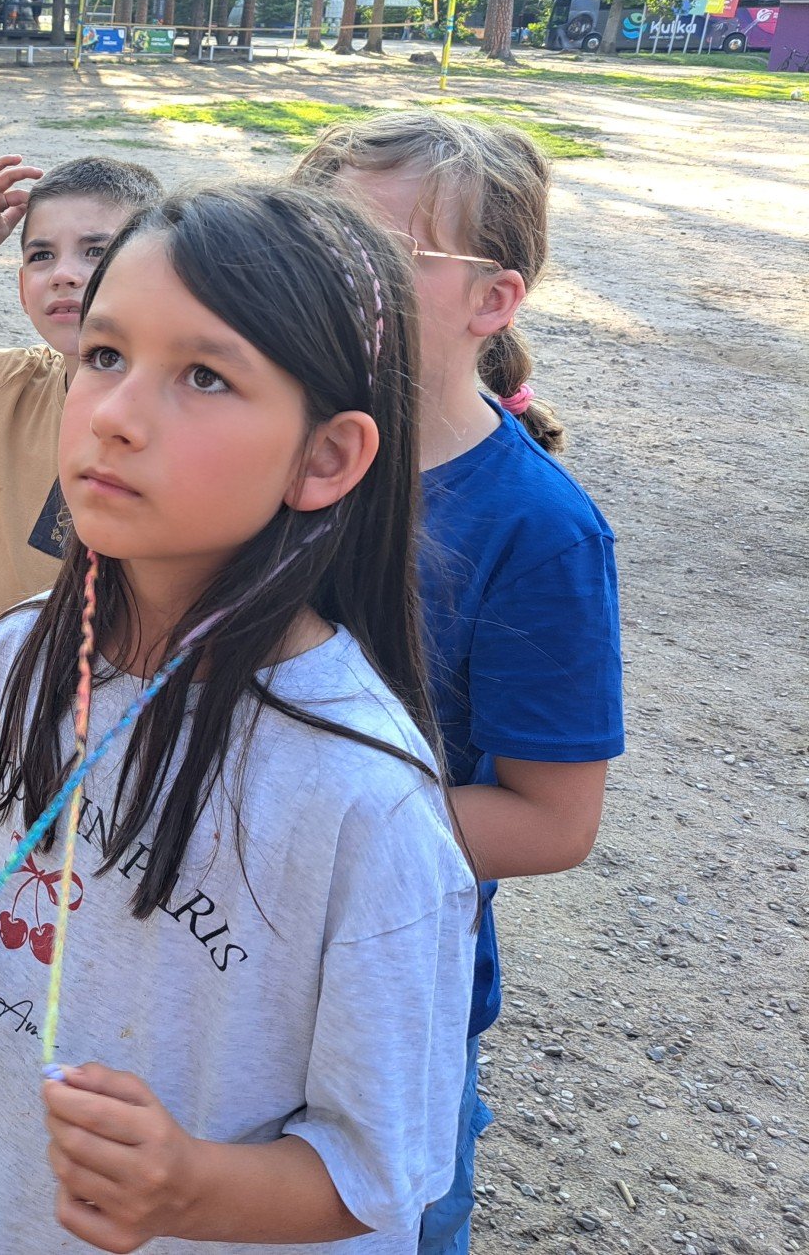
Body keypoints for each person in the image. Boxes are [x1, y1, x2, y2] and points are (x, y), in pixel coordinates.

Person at [0, 183, 477, 1254]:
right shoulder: (10, 661)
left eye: (203, 375)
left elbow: (381, 1168)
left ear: (325, 457)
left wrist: (186, 1187)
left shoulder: (364, 803)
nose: (115, 415)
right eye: (103, 355)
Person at [295, 112, 624, 1255]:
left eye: (379, 254)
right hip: (222, 948)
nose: (335, 274)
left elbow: (552, 820)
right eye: (316, 238)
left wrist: (300, 820)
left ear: (493, 300)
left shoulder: (539, 530)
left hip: (391, 986)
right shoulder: (270, 447)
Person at [0, 155, 163, 617]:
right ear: (22, 290)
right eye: (41, 256)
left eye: (95, 251)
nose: (63, 274)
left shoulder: (185, 416)